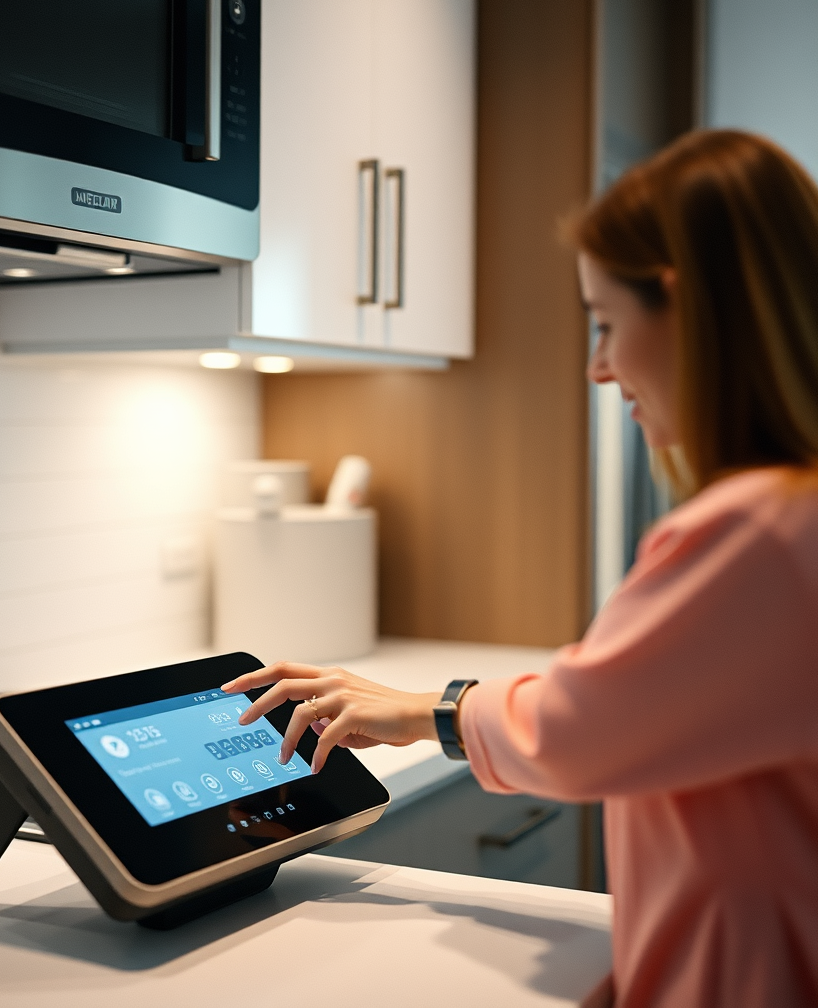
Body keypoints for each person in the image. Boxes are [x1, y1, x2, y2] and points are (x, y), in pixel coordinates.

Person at [222, 129, 818, 1007]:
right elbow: (656, 697)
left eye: (609, 323)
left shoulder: (758, 528)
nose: (600, 367)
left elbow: (584, 731)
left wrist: (431, 710)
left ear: (690, 310)